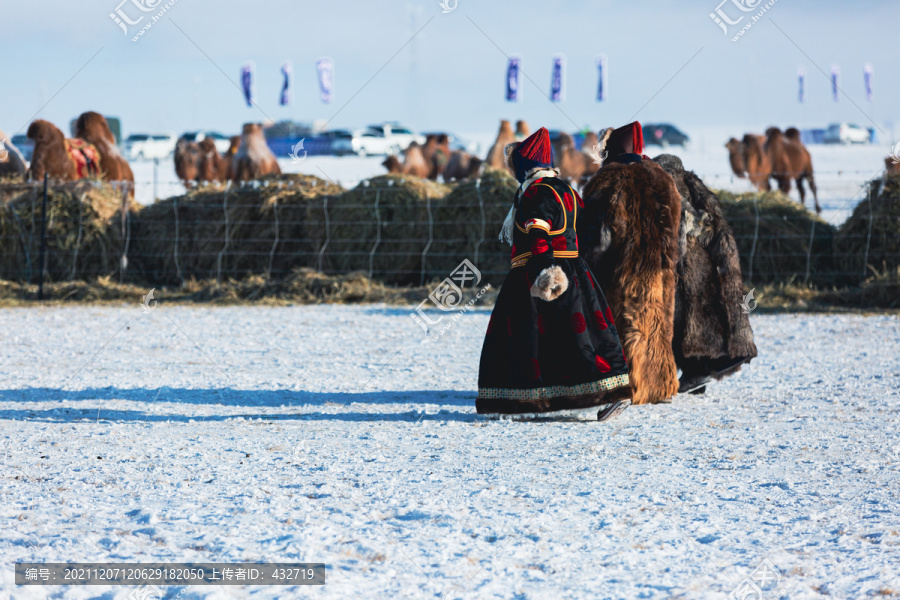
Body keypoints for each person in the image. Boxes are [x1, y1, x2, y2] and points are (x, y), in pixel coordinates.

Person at [476, 127, 632, 420]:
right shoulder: (567, 189)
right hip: (575, 270)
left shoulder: (536, 193)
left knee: (530, 339)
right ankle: (615, 390)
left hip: (541, 273)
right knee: (584, 334)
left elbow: (538, 233)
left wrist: (546, 272)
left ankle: (522, 401)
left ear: (526, 166)